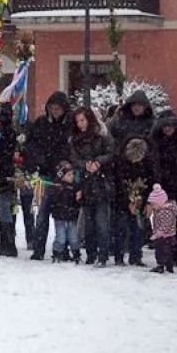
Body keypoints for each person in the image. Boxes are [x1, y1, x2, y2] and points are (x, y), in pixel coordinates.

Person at [25, 92, 72, 260]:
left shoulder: (69, 125)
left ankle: (63, 250)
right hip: (45, 175)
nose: (55, 111)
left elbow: (71, 148)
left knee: (63, 216)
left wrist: (65, 163)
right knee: (42, 215)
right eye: (52, 108)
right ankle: (38, 249)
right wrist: (39, 160)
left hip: (64, 176)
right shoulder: (41, 123)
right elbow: (31, 146)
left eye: (58, 108)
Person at [69, 108, 113, 265]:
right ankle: (91, 253)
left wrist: (98, 162)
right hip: (86, 183)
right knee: (88, 223)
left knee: (102, 222)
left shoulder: (102, 135)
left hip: (101, 182)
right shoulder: (75, 139)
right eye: (78, 121)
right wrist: (85, 164)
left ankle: (103, 254)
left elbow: (111, 153)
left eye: (82, 120)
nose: (80, 124)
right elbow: (74, 158)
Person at [110, 136, 156, 267]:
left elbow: (152, 182)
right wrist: (127, 202)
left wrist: (148, 202)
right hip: (122, 200)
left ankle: (136, 256)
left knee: (138, 230)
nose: (134, 161)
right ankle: (119, 257)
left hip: (141, 200)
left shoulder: (148, 164)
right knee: (120, 229)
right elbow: (118, 184)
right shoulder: (120, 163)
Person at [150, 112, 177, 210]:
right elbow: (155, 164)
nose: (167, 129)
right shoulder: (156, 142)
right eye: (164, 126)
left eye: (170, 126)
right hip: (165, 187)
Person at [0, 103, 18, 257]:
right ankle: (8, 242)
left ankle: (7, 243)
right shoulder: (12, 132)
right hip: (9, 172)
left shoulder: (2, 132)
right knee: (9, 207)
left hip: (3, 173)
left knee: (4, 208)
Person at [49, 162, 81, 263]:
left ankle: (76, 254)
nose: (72, 177)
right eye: (69, 175)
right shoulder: (57, 187)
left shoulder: (75, 187)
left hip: (71, 217)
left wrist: (79, 200)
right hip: (60, 217)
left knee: (74, 238)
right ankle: (56, 254)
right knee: (60, 237)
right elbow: (53, 201)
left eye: (72, 174)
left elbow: (78, 202)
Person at [146, 184, 177, 274]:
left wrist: (156, 234)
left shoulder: (165, 211)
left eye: (153, 204)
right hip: (164, 235)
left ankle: (162, 266)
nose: (152, 207)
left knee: (161, 251)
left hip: (165, 236)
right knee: (166, 251)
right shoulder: (160, 210)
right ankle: (167, 266)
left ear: (160, 202)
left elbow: (165, 225)